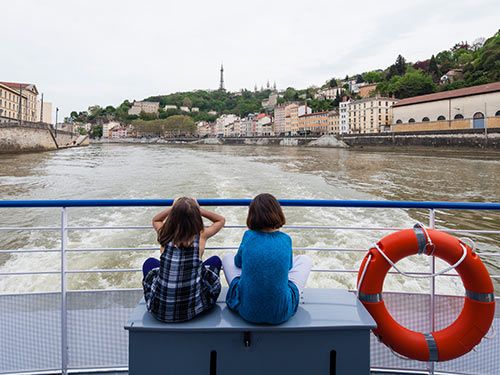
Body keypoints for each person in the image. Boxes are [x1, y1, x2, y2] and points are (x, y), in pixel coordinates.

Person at [222, 193, 312, 324]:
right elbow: (289, 268)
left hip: (247, 312)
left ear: (252, 216)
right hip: (281, 313)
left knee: (227, 258)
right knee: (305, 260)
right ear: (277, 213)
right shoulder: (286, 239)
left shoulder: (248, 236)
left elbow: (237, 262)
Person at [142, 197, 225, 322]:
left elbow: (156, 219)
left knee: (149, 263)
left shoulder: (164, 233)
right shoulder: (201, 235)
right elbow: (220, 220)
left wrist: (174, 208)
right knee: (215, 261)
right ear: (196, 216)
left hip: (159, 311)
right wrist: (198, 209)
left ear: (173, 215)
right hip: (191, 311)